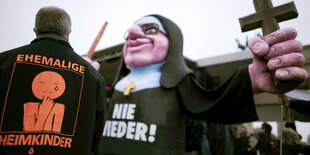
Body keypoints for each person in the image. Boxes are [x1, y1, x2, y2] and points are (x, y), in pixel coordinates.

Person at [99, 14, 307, 154]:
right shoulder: (118, 85)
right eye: (129, 35)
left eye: (151, 29)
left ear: (173, 43)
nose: (134, 34)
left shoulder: (179, 82)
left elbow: (213, 104)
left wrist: (250, 79)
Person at [0, 6, 106, 154]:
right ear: (68, 33)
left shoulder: (4, 62)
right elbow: (97, 131)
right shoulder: (92, 76)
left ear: (35, 30)